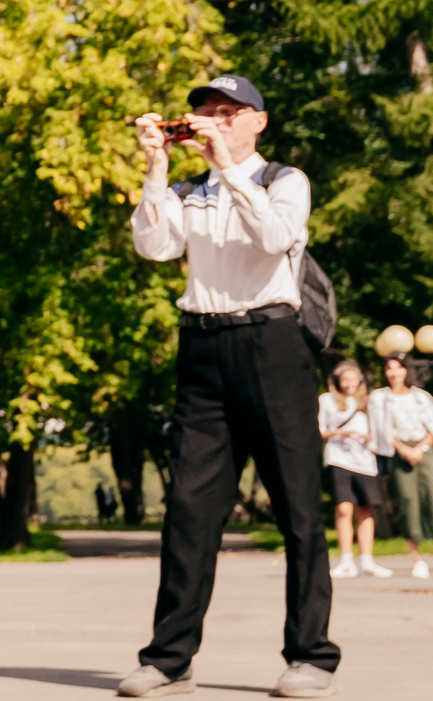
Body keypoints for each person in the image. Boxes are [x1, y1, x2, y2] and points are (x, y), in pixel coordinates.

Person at [121, 75, 337, 699]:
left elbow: (275, 238)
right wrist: (158, 169)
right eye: (204, 114)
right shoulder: (190, 190)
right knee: (189, 510)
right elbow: (156, 247)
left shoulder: (282, 181)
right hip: (203, 347)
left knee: (297, 506)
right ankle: (168, 658)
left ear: (257, 121)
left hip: (272, 344)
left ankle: (312, 656)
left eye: (226, 112)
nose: (213, 121)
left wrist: (230, 171)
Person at [369, 347, 433, 580]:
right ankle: (416, 557)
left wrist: (420, 448)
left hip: (424, 448)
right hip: (398, 450)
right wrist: (404, 449)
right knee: (408, 501)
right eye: (389, 368)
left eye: (399, 368)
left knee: (431, 496)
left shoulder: (421, 397)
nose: (394, 373)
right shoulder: (379, 398)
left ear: (407, 371)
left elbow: (431, 427)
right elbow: (381, 430)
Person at [320, 361, 386, 579]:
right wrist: (341, 433)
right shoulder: (327, 401)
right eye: (344, 380)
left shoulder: (370, 402)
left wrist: (371, 438)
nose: (349, 384)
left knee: (366, 509)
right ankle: (345, 558)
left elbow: (380, 429)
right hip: (340, 459)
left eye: (353, 380)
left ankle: (367, 559)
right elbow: (320, 430)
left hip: (365, 461)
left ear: (360, 382)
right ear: (337, 381)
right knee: (343, 508)